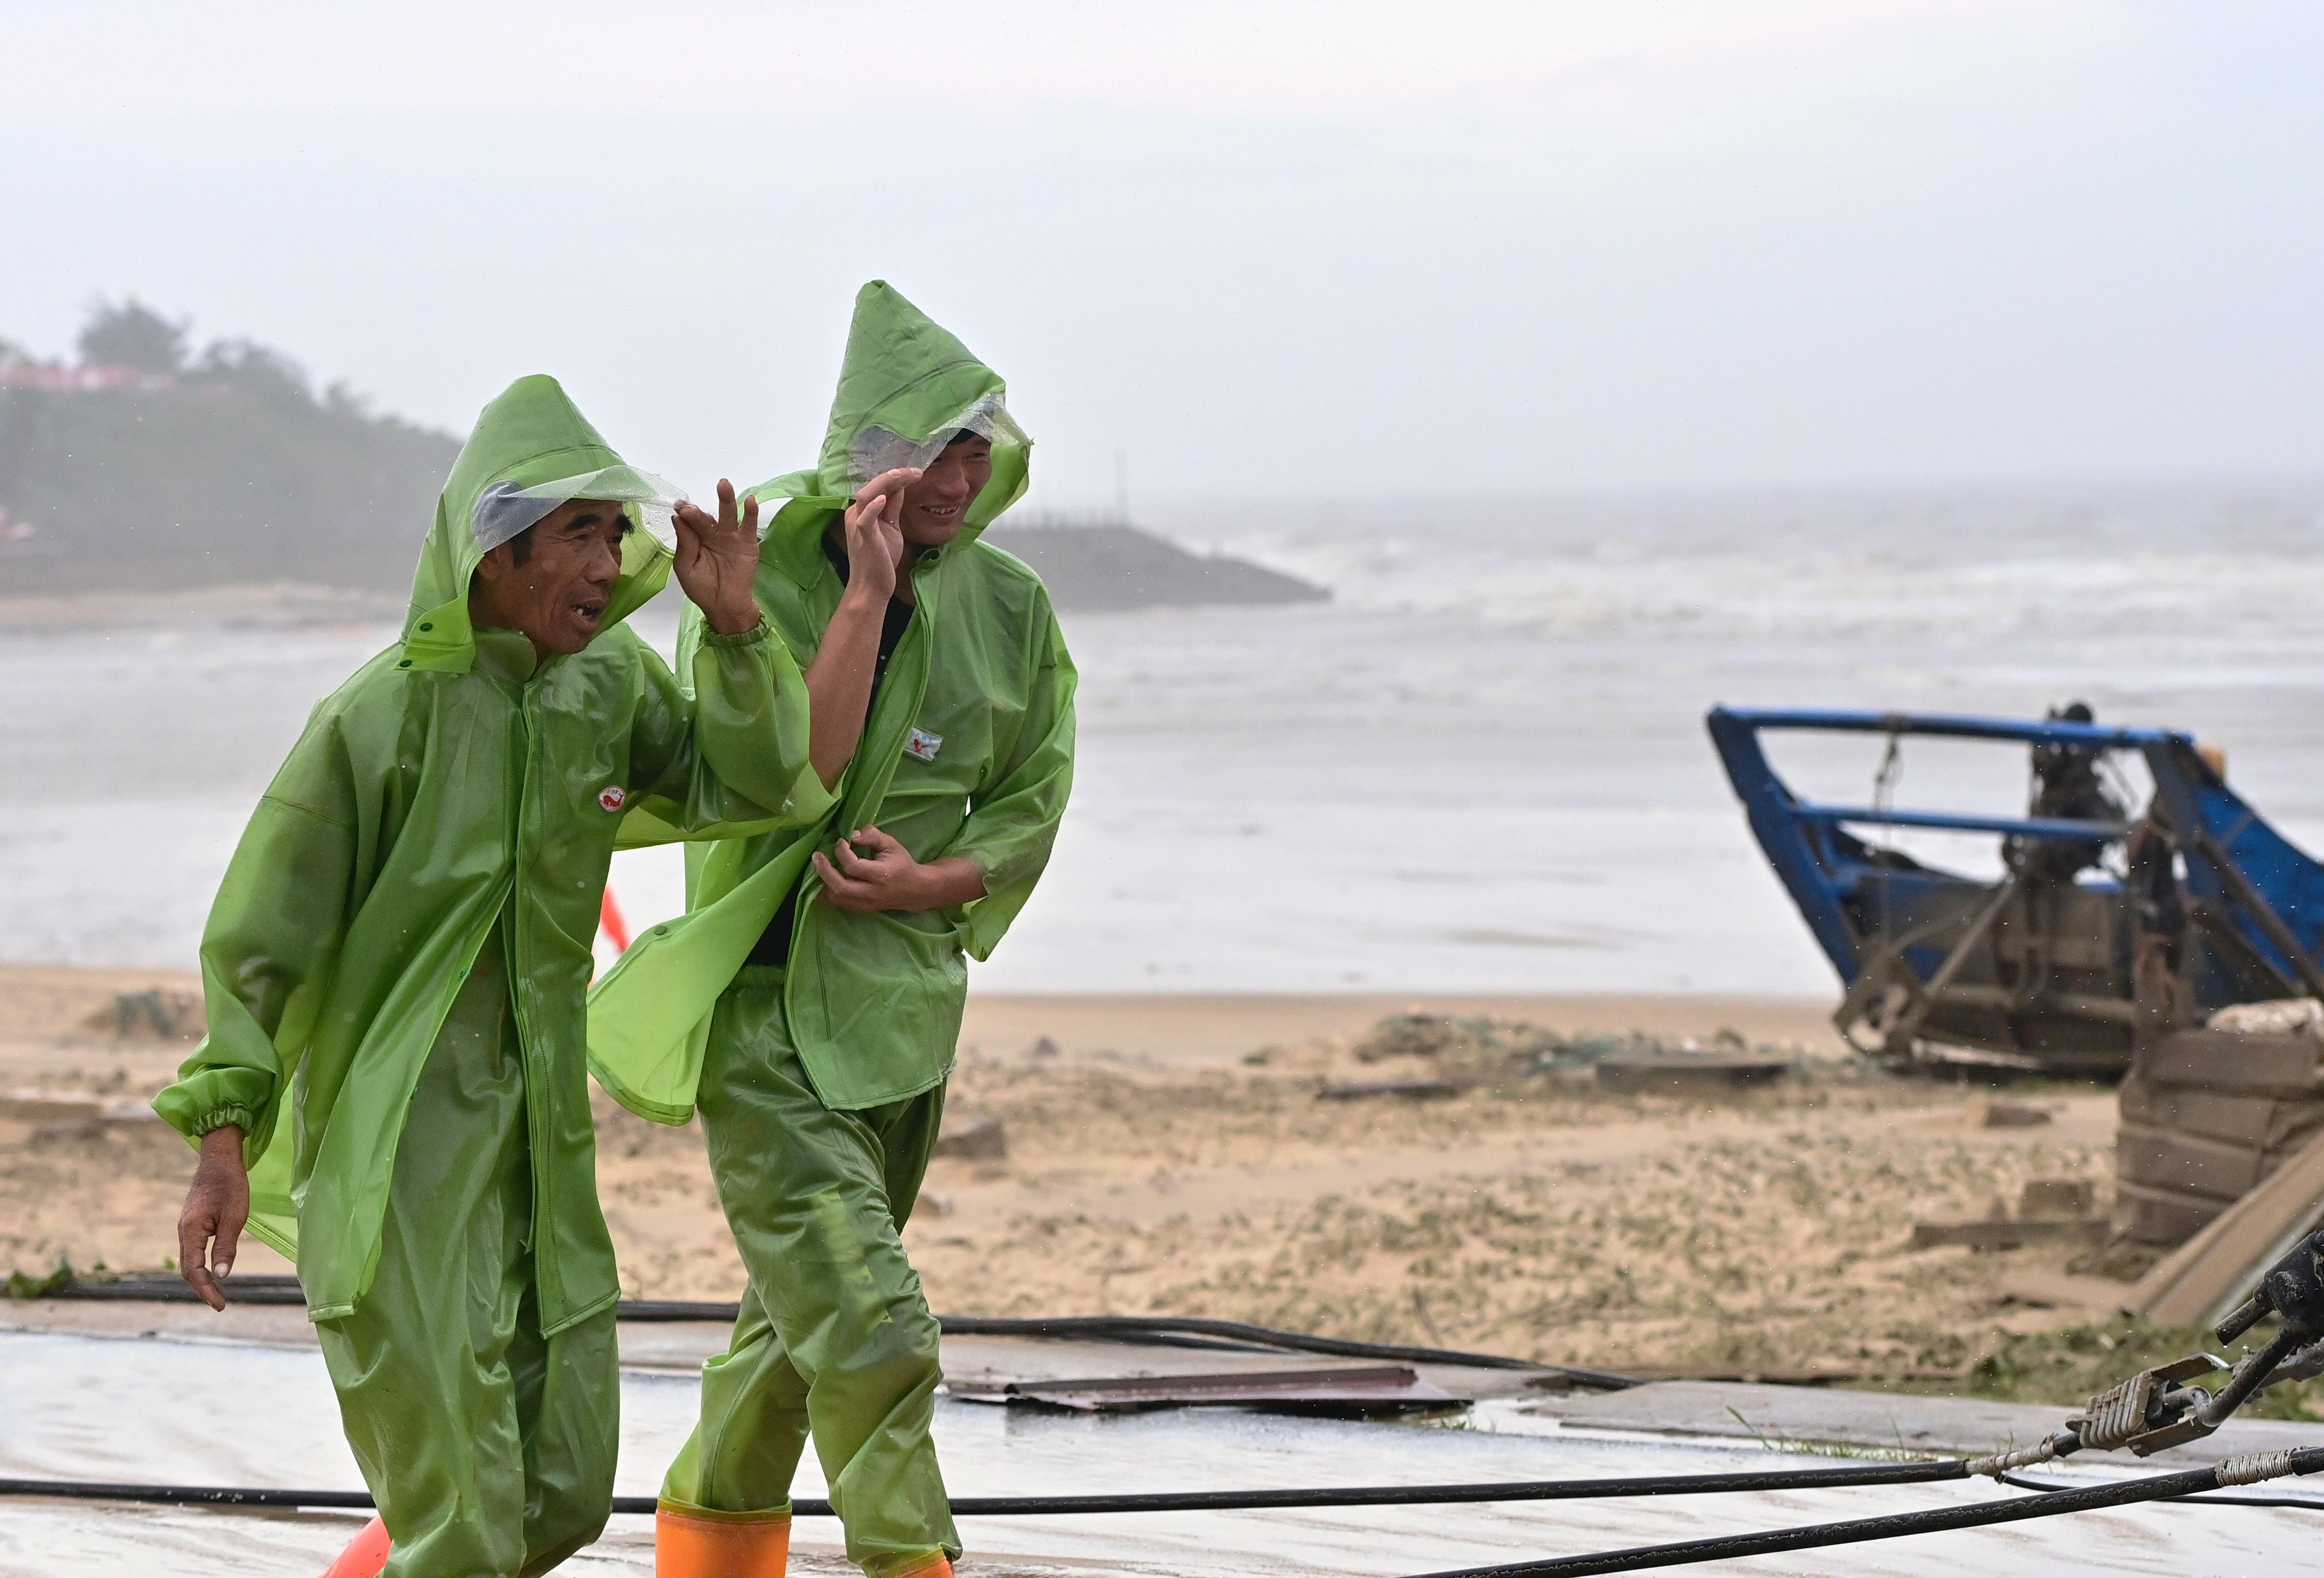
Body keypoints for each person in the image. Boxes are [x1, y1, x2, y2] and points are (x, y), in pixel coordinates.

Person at [159, 373, 830, 1578]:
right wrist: (221, 1137)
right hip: (400, 1159)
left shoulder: (611, 689)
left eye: (616, 533)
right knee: (463, 1521)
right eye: (582, 532)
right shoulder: (381, 718)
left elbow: (756, 783)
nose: (610, 560)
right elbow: (262, 937)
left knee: (561, 1490)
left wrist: (737, 630)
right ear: (495, 552)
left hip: (544, 1151)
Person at [587, 282, 1077, 1578]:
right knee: (871, 1329)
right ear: (873, 449)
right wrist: (862, 593)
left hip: (906, 1012)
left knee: (789, 1341)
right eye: (938, 446)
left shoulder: (1015, 608)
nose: (963, 476)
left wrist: (931, 883)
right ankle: (916, 1563)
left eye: (979, 447)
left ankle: (707, 1550)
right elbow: (794, 767)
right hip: (764, 1009)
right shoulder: (759, 582)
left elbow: (1036, 791)